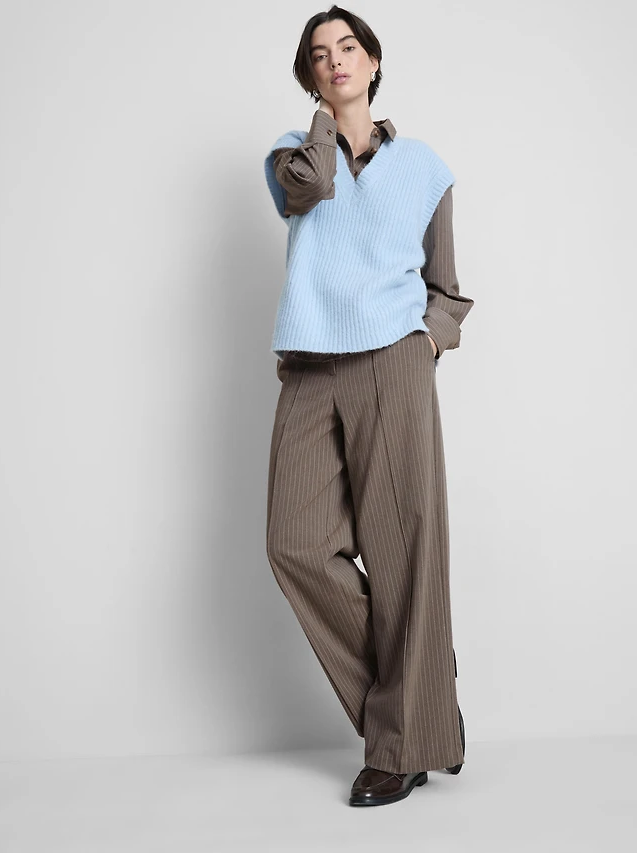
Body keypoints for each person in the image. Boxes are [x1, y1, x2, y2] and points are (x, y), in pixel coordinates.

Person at [263, 4, 474, 808]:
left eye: (348, 47)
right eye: (320, 55)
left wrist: (426, 343)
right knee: (294, 544)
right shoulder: (291, 156)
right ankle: (419, 704)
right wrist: (326, 124)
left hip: (393, 364)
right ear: (310, 76)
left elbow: (446, 287)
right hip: (312, 369)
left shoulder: (423, 166)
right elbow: (313, 190)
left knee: (405, 554)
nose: (336, 60)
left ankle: (404, 739)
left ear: (374, 60)